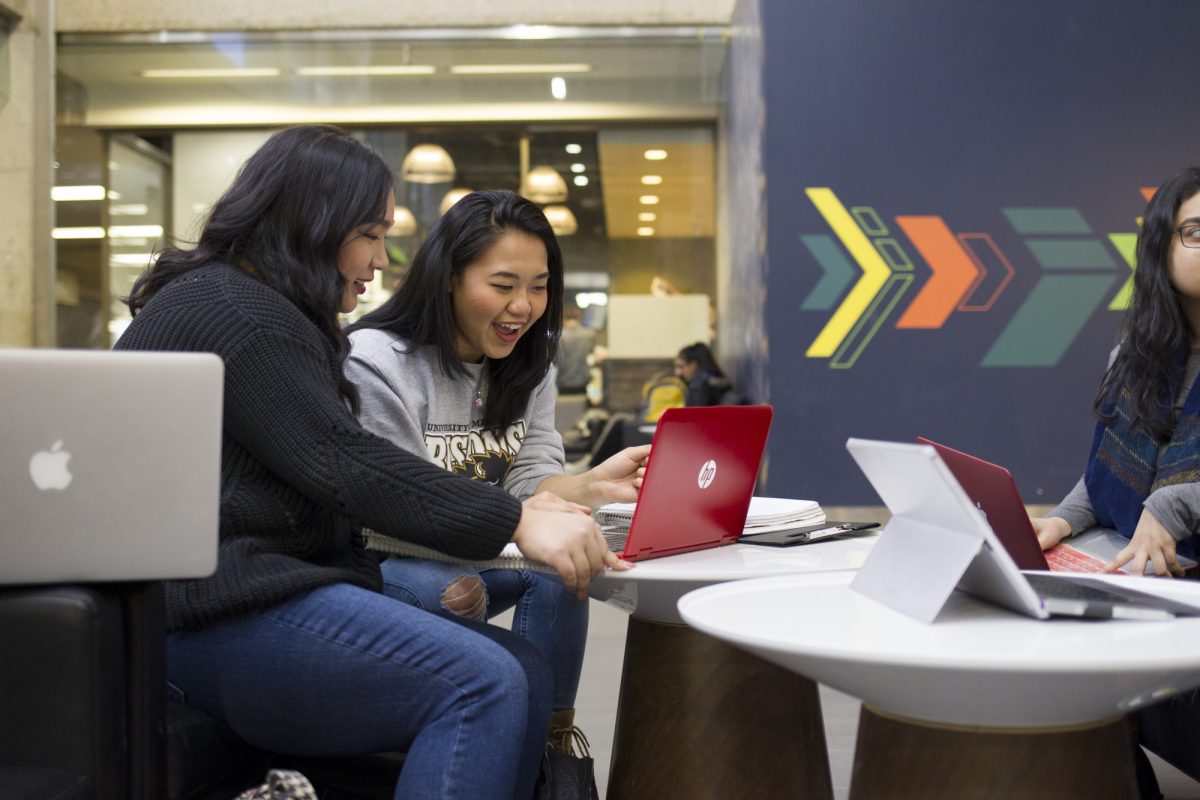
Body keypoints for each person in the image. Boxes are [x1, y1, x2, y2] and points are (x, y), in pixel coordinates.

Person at [114, 126, 619, 800]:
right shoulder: (242, 314)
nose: (383, 260)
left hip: (253, 593)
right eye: (371, 235)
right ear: (315, 226)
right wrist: (515, 518)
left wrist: (545, 505)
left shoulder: (260, 309)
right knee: (486, 682)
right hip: (207, 613)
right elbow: (343, 461)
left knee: (521, 669)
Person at [344, 188, 646, 755]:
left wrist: (591, 486)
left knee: (563, 570)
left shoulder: (530, 364)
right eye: (503, 286)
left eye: (538, 287)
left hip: (483, 546)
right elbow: (394, 510)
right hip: (387, 557)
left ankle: (549, 751)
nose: (523, 307)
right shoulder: (377, 362)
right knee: (453, 591)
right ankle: (459, 734)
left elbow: (527, 482)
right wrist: (519, 523)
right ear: (449, 278)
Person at [1031, 166, 1200, 579]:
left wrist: (1174, 503)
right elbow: (1109, 477)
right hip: (1148, 579)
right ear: (1160, 249)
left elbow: (1164, 500)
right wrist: (1062, 520)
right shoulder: (1134, 358)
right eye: (1196, 233)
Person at [674, 341, 734, 406]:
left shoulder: (699, 386)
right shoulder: (707, 381)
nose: (678, 372)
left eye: (681, 367)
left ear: (694, 365)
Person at [554, 303, 595, 395]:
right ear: (579, 317)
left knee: (566, 408)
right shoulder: (589, 335)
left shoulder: (560, 336)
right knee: (581, 406)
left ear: (563, 318)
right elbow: (591, 355)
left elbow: (557, 361)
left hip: (564, 381)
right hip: (582, 381)